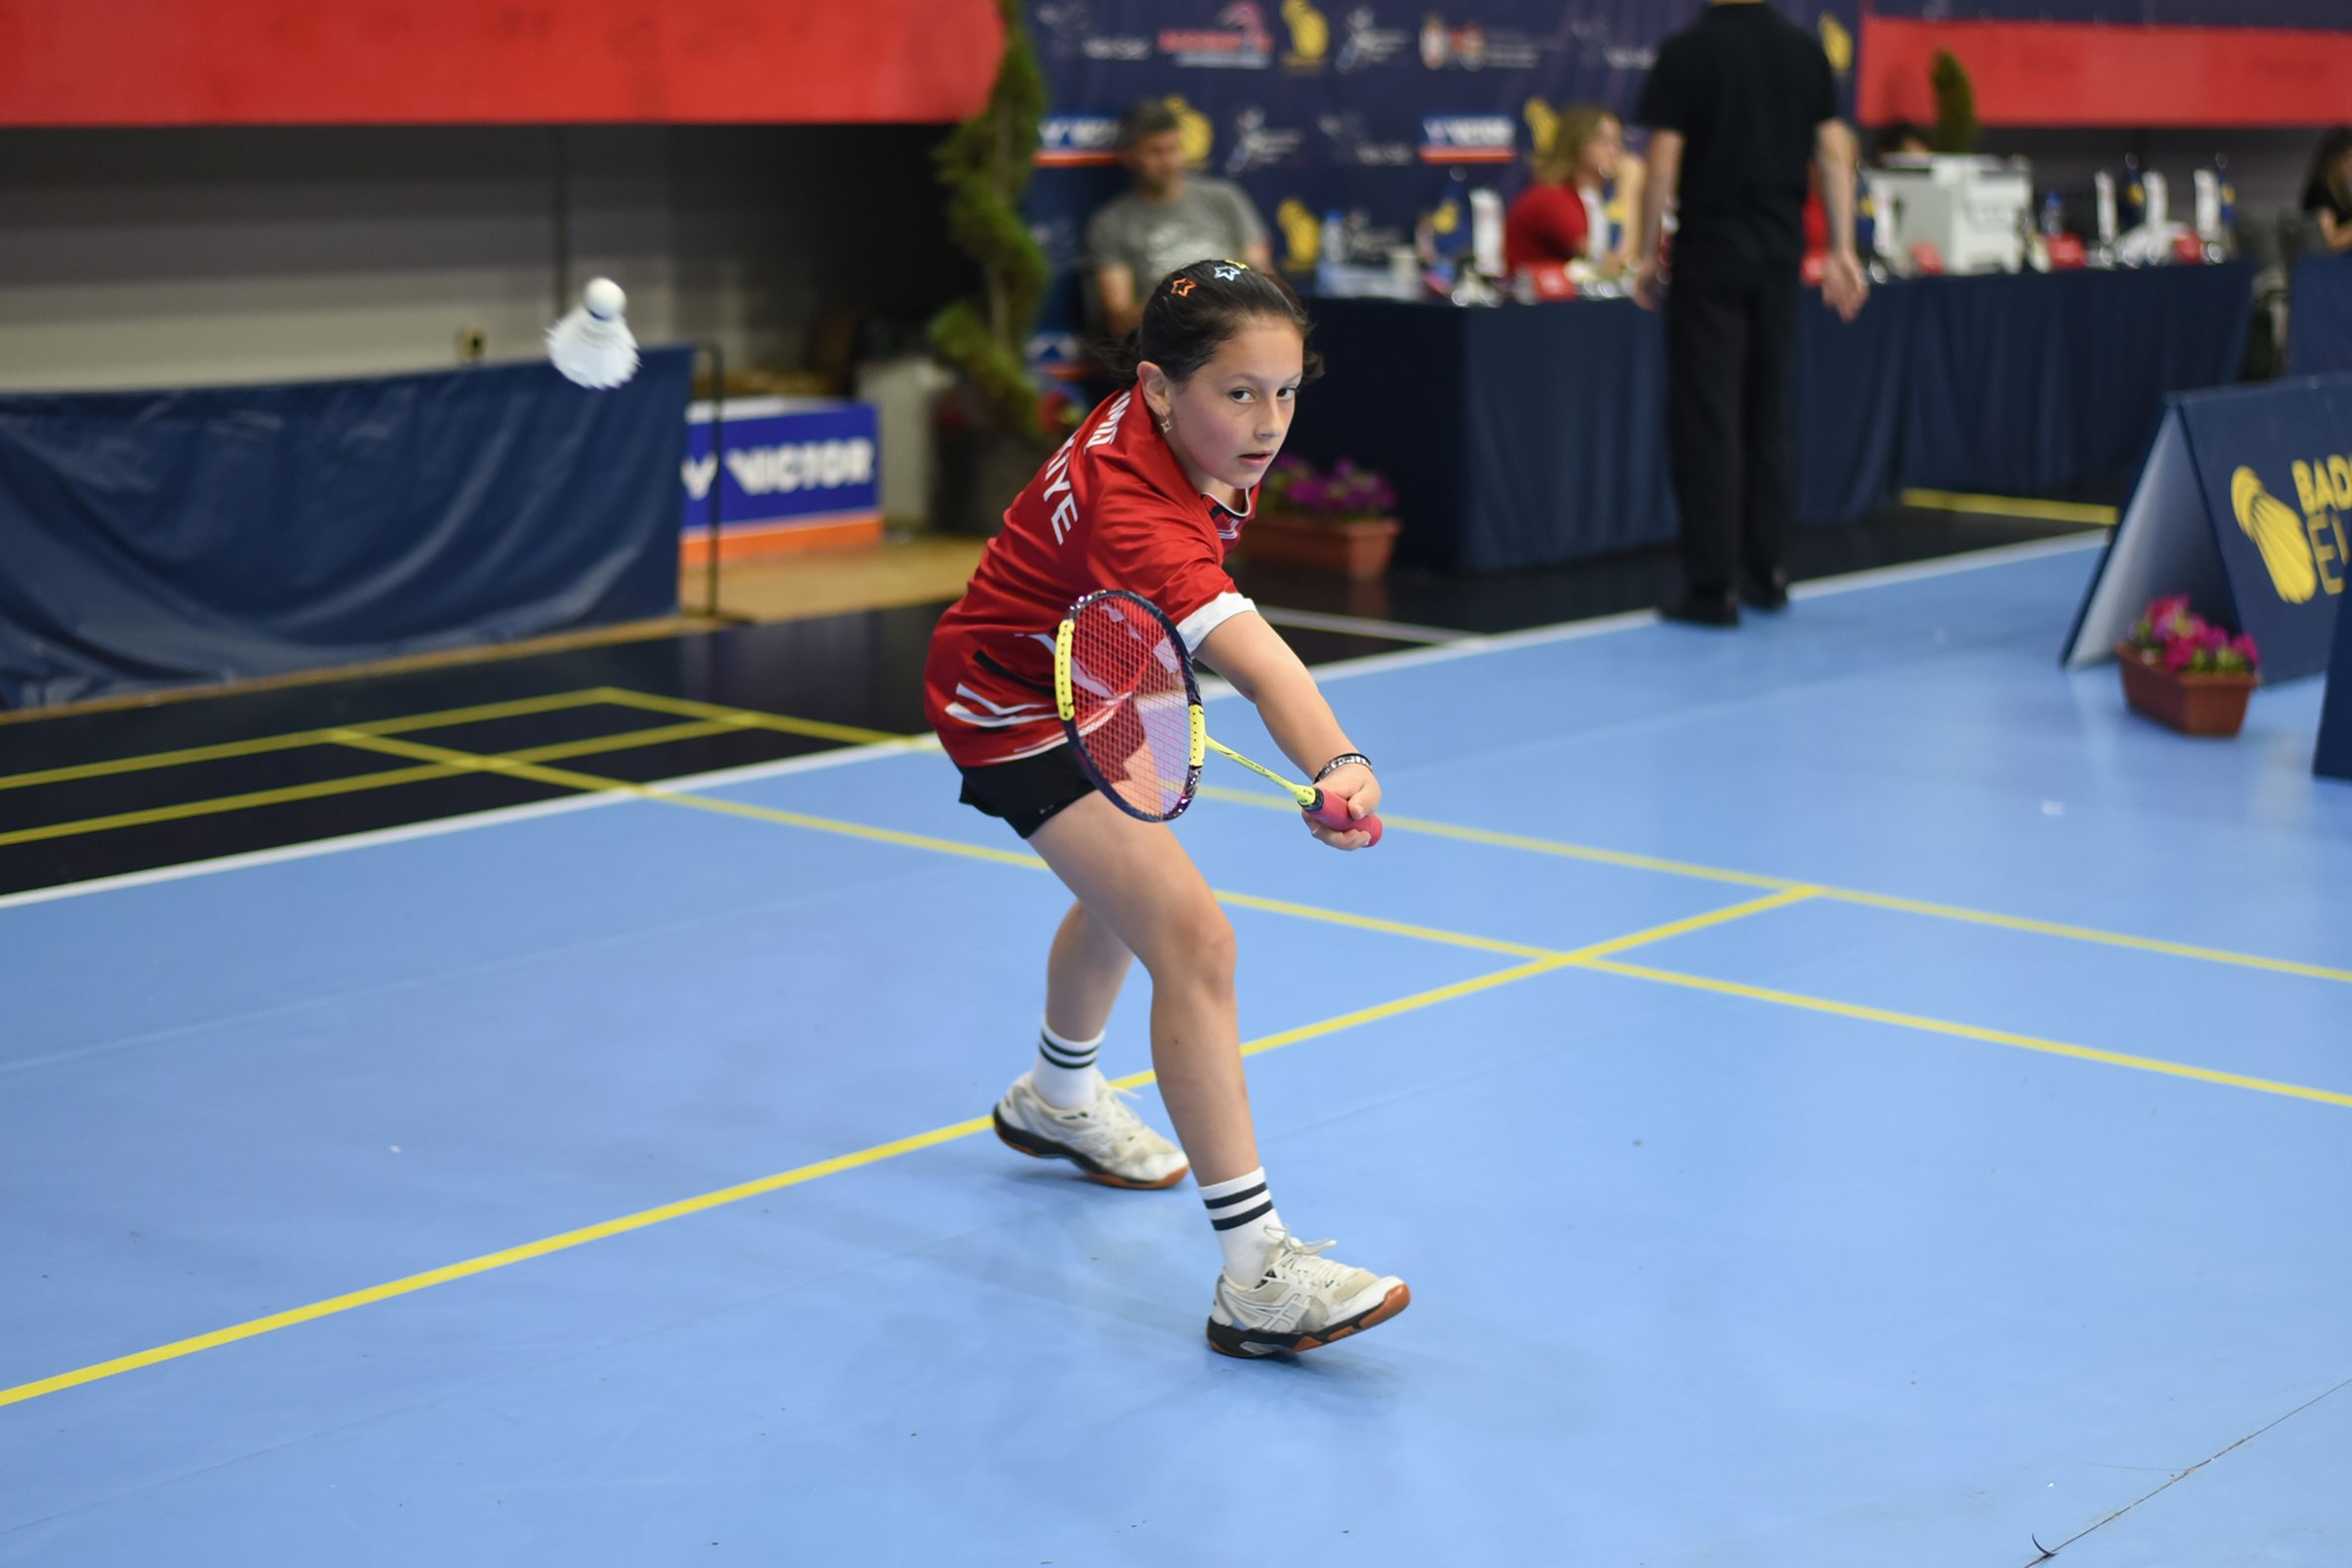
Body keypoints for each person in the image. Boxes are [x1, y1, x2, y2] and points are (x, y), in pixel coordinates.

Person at [920, 259, 1408, 1359]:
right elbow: (1262, 662)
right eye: (1240, 393)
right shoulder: (1137, 511)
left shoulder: (1181, 427)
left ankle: (1054, 1095)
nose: (1269, 422)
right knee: (1195, 939)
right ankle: (1256, 1273)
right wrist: (1338, 758)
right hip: (1010, 699)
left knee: (1127, 899)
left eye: (1287, 391)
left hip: (1098, 663)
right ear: (1155, 387)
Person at [1632, 0, 1868, 628]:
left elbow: (1662, 161)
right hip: (1778, 254)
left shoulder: (1687, 52)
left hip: (1711, 254)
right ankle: (1768, 572)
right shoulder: (1803, 51)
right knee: (1767, 414)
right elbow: (1833, 153)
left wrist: (1645, 252)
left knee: (1708, 419)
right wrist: (1842, 247)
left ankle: (1713, 588)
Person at [1087, 102, 1275, 341]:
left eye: (1174, 148)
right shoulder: (1110, 224)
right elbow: (1120, 322)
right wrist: (1191, 296)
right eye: (1156, 152)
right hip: (1168, 343)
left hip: (1239, 333)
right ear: (1130, 156)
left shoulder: (1224, 198)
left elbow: (1262, 277)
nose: (1170, 162)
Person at [1504, 104, 1642, 275]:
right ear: (1577, 145)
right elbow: (1612, 265)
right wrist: (1629, 190)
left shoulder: (1592, 198)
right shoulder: (1550, 198)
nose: (1615, 152)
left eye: (1618, 142)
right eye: (1604, 142)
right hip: (1529, 290)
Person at [2299, 128, 2352, 254]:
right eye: (2347, 158)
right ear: (2334, 158)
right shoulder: (2320, 194)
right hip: (2329, 263)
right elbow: (2330, 241)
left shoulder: (2342, 191)